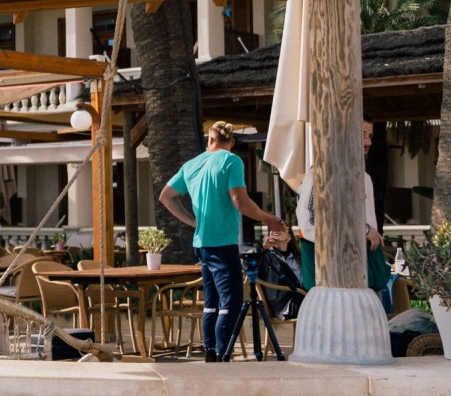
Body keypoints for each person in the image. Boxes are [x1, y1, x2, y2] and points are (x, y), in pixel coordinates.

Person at [158, 121, 286, 362]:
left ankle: (211, 355)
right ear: (232, 142)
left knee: (211, 303)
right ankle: (221, 356)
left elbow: (166, 197)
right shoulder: (231, 161)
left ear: (210, 140)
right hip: (222, 244)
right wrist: (269, 219)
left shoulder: (191, 165)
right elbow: (240, 201)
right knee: (231, 303)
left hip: (202, 245)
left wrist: (192, 221)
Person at [295, 119, 392, 304]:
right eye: (362, 134)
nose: (368, 142)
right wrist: (362, 230)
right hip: (333, 285)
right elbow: (309, 225)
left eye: (370, 136)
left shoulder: (364, 176)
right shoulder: (320, 175)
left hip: (365, 279)